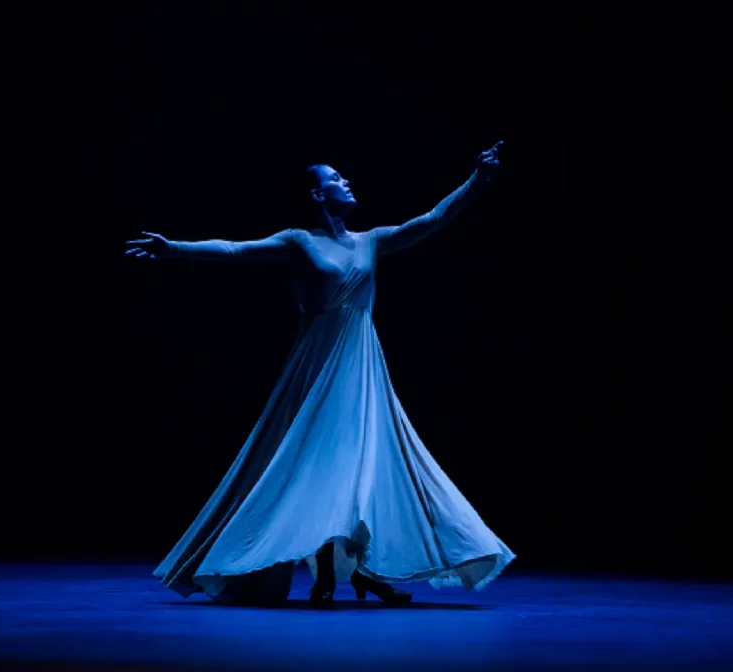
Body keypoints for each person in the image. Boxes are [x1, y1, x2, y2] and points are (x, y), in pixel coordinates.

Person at [126, 142, 515, 608]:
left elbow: (431, 221)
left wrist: (477, 180)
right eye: (335, 178)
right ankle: (339, 575)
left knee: (359, 470)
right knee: (319, 468)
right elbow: (235, 250)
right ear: (315, 195)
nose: (345, 182)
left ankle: (354, 573)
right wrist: (175, 249)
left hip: (362, 368)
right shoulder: (299, 240)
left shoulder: (370, 240)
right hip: (318, 368)